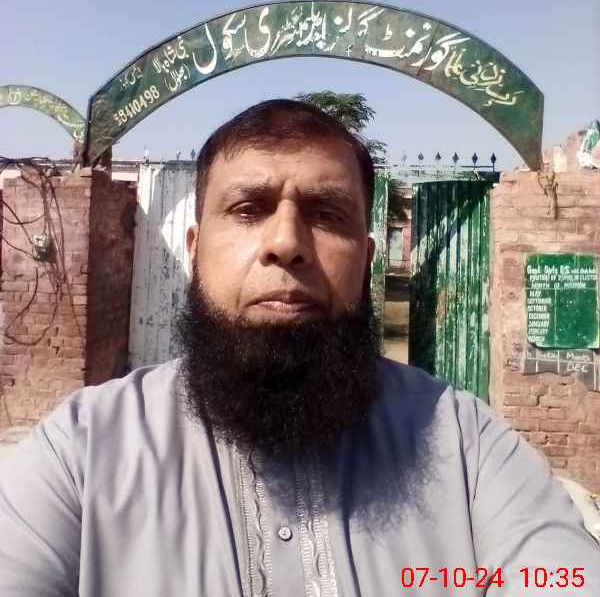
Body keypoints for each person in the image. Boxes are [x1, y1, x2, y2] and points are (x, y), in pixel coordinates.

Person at [0, 99, 598, 597]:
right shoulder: (81, 452)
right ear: (194, 249)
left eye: (326, 213)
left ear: (366, 259)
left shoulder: (467, 445)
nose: (286, 242)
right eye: (249, 209)